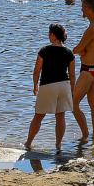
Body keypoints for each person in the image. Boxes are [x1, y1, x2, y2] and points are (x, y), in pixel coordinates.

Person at [25, 23, 75, 152]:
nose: (48, 35)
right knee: (60, 116)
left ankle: (28, 143)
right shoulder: (69, 52)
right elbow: (72, 74)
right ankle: (58, 145)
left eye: (49, 33)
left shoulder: (44, 50)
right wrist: (72, 90)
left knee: (38, 116)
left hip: (48, 85)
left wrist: (35, 85)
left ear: (53, 35)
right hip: (64, 86)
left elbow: (37, 70)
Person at [72, 0, 94, 141]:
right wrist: (83, 50)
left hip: (88, 70)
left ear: (88, 8)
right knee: (93, 104)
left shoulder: (93, 27)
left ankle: (85, 135)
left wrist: (80, 50)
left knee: (73, 103)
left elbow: (77, 48)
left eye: (83, 7)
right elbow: (86, 47)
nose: (81, 9)